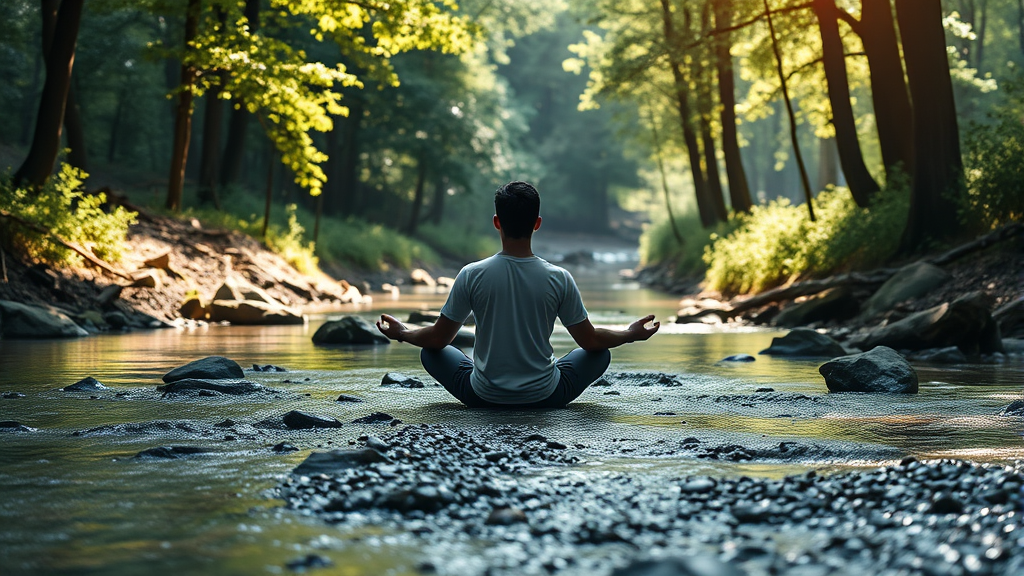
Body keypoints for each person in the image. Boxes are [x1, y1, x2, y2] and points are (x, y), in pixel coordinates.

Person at [376, 181, 659, 408]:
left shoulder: (471, 274)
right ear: (537, 223)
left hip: (482, 396)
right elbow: (591, 340)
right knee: (599, 355)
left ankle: (492, 385)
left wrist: (403, 332)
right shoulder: (559, 278)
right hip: (546, 397)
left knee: (433, 352)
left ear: (497, 222)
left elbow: (438, 338)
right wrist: (630, 333)